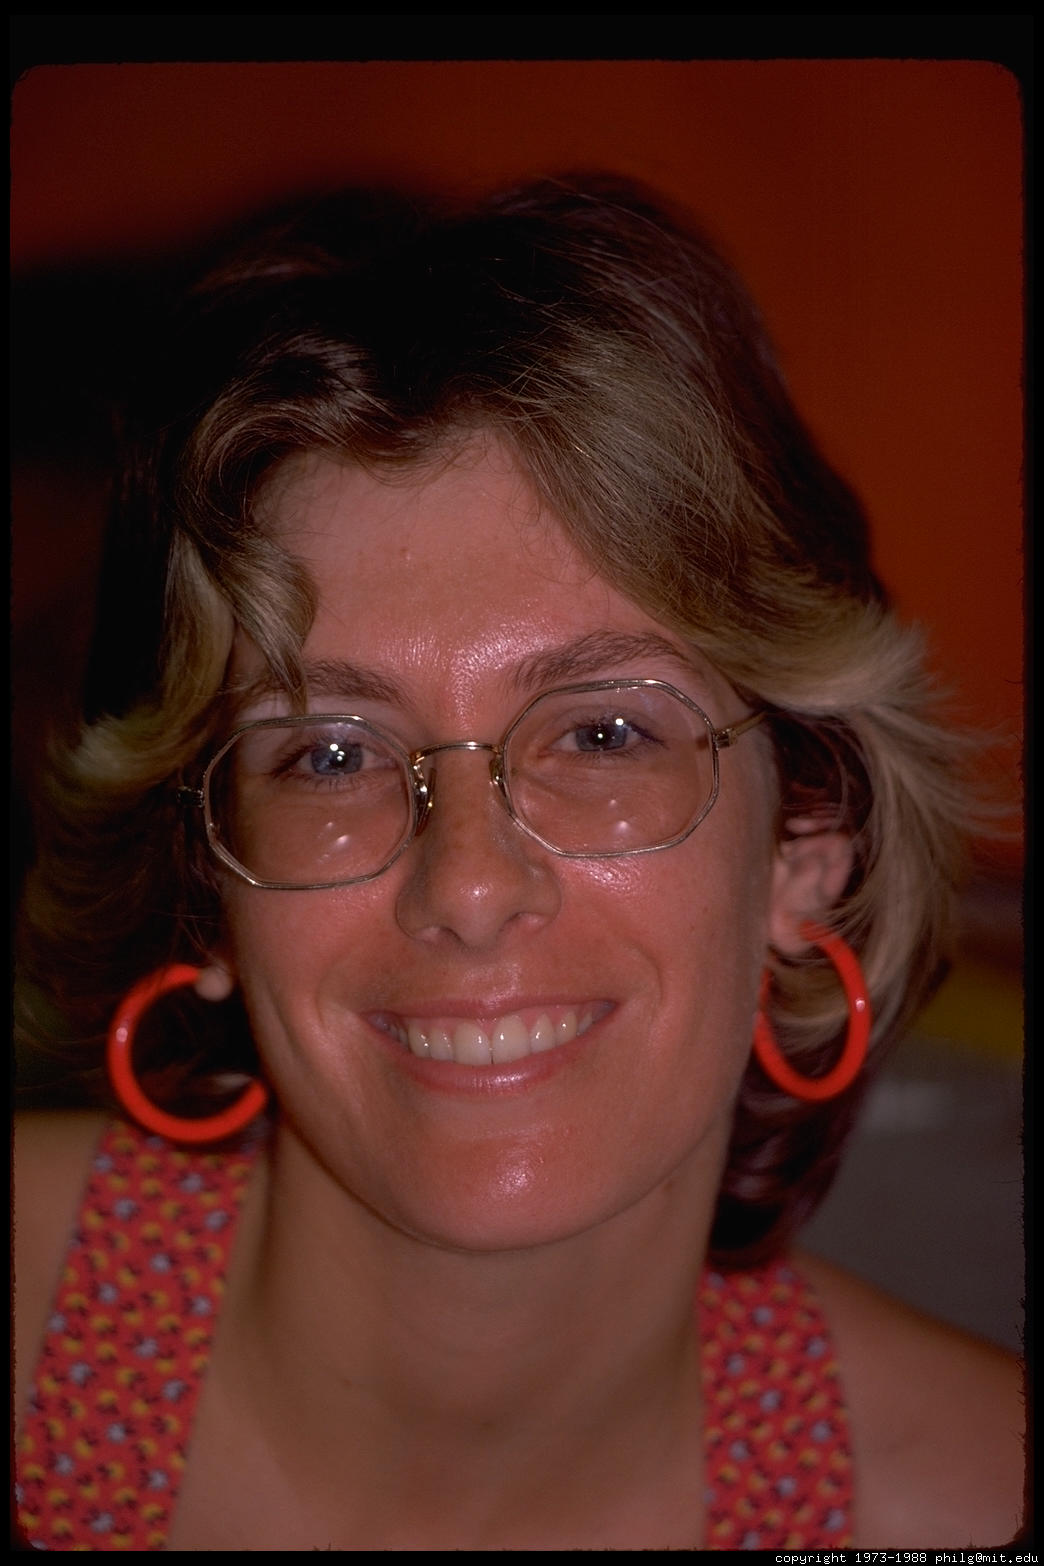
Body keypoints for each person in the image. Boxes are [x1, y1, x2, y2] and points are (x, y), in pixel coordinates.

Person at [13, 172, 1024, 1551]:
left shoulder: (972, 1504)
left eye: (604, 733)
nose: (472, 887)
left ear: (804, 845)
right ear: (205, 883)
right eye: (332, 755)